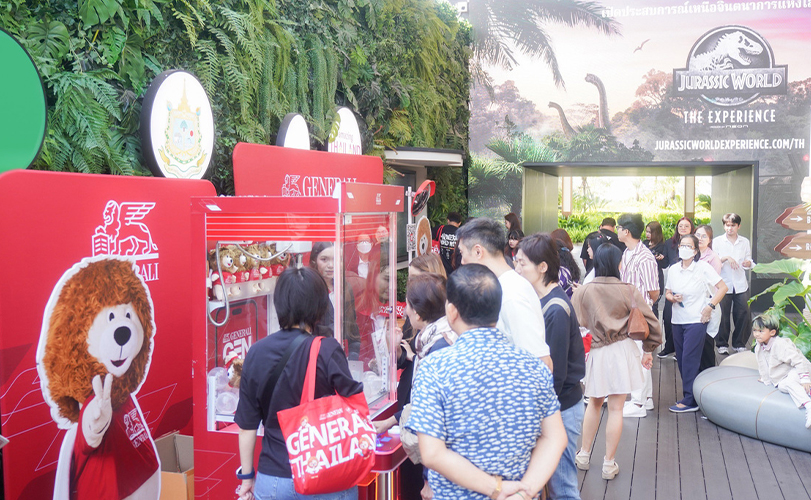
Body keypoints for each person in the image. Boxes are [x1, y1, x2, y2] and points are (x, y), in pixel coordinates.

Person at [408, 264, 568, 500]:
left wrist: (496, 488)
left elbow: (432, 453)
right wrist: (524, 491)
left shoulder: (434, 368)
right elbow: (555, 437)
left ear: (451, 311)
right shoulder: (534, 367)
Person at [235, 266, 363, 500]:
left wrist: (247, 478)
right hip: (326, 473)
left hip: (274, 479)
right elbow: (354, 404)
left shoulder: (256, 352)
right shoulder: (327, 349)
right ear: (320, 306)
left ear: (279, 304)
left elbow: (246, 426)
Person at [571, 244, 661, 480]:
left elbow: (573, 323)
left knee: (593, 404)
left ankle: (583, 454)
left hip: (597, 351)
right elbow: (652, 322)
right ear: (618, 263)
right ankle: (608, 464)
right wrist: (649, 349)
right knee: (616, 408)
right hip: (622, 350)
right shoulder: (628, 290)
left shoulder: (584, 291)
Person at [515, 233, 585, 500]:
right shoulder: (542, 299)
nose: (517, 268)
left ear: (543, 267)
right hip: (556, 406)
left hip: (561, 408)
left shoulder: (555, 309)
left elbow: (555, 375)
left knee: (562, 487)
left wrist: (537, 417)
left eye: (522, 263)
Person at [374, 272, 456, 500]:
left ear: (418, 313)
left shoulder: (437, 349)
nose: (405, 312)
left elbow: (435, 419)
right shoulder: (436, 339)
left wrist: (430, 477)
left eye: (408, 306)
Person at [456, 218, 552, 371]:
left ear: (478, 251)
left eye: (462, 253)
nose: (462, 261)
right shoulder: (504, 286)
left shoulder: (511, 294)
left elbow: (542, 361)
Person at [664, 234, 727, 412]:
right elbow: (668, 292)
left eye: (689, 246)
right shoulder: (674, 269)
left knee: (689, 359)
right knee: (682, 359)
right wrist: (672, 298)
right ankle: (693, 395)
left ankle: (690, 400)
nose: (684, 249)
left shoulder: (703, 268)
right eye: (682, 245)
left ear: (695, 250)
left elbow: (723, 288)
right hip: (678, 320)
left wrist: (710, 306)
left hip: (696, 320)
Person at [616, 213, 660, 418]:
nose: (617, 231)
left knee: (638, 357)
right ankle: (646, 398)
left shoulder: (645, 257)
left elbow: (654, 291)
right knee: (639, 355)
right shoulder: (627, 253)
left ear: (626, 231)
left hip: (640, 313)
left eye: (619, 227)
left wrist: (643, 307)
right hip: (630, 311)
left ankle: (638, 403)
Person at [752, 314, 811, 429]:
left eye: (761, 331)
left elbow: (798, 360)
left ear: (772, 332)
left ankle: (809, 406)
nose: (756, 334)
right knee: (782, 386)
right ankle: (808, 392)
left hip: (799, 369)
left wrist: (805, 379)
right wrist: (765, 378)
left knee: (789, 383)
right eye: (755, 330)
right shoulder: (759, 346)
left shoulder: (780, 344)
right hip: (786, 374)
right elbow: (763, 363)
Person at [309, 242, 361, 360]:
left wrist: (353, 357)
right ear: (314, 261)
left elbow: (352, 329)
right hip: (318, 356)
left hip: (341, 356)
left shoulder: (345, 288)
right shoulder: (309, 291)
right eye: (324, 259)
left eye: (336, 259)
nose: (331, 265)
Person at [713, 213, 754, 354]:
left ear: (738, 226)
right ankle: (721, 344)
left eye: (733, 225)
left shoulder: (744, 241)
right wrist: (726, 258)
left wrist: (748, 263)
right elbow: (713, 261)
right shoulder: (717, 241)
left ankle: (739, 343)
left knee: (743, 313)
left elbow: (749, 259)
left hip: (740, 283)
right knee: (722, 315)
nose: (729, 228)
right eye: (727, 225)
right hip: (723, 284)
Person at [659, 217, 696, 359]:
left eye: (686, 226)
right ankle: (670, 347)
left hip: (690, 283)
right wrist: (661, 258)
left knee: (686, 318)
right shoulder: (670, 243)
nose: (683, 228)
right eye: (680, 226)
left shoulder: (695, 242)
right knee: (668, 316)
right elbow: (665, 264)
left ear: (691, 228)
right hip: (673, 283)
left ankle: (681, 349)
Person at [696, 224, 722, 372]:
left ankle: (708, 376)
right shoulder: (691, 254)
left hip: (708, 303)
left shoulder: (713, 258)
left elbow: (716, 286)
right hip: (692, 304)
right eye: (698, 235)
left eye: (704, 236)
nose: (700, 238)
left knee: (706, 344)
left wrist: (710, 306)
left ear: (710, 239)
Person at [643, 221, 668, 319]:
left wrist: (660, 259)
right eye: (647, 231)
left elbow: (665, 264)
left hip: (656, 277)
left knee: (654, 307)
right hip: (644, 277)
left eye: (650, 232)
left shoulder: (662, 246)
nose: (647, 234)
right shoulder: (644, 243)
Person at [434, 212, 463, 276]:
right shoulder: (462, 233)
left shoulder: (440, 229)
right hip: (456, 270)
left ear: (448, 220)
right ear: (459, 223)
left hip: (441, 268)